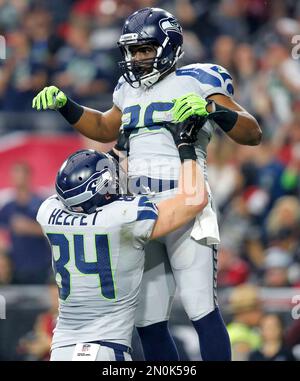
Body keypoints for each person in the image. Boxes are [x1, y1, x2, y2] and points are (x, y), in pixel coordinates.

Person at [33, 7, 262, 361]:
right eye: (132, 50)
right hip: (141, 207)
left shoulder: (200, 79)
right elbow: (105, 128)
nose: (137, 58)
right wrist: (68, 106)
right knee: (150, 320)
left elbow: (252, 132)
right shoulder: (126, 88)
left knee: (200, 305)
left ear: (168, 46)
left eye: (144, 49)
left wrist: (213, 110)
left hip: (186, 199)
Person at [36, 117, 208, 361]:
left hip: (61, 348)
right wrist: (187, 148)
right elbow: (195, 199)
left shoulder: (48, 214)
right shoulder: (124, 218)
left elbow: (82, 196)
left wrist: (115, 154)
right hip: (106, 348)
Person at [0, 162, 51, 284]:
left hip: (40, 266)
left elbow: (52, 231)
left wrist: (29, 227)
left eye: (20, 174)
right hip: (16, 266)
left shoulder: (42, 204)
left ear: (28, 176)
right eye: (14, 175)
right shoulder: (8, 207)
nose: (17, 179)